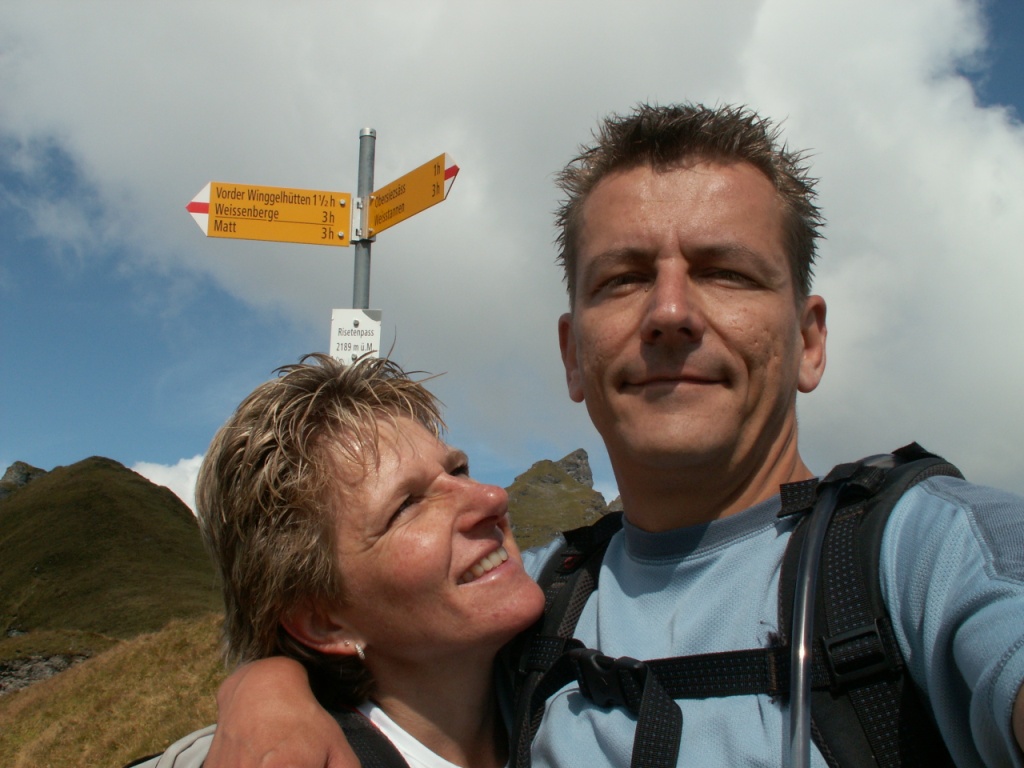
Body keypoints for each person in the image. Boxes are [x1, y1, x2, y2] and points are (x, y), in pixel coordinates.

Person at [172, 104, 1024, 767]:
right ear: (573, 355)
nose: (670, 311)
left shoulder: (929, 554)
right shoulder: (535, 600)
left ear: (808, 341)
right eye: (621, 280)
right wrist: (266, 688)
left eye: (726, 271)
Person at [129, 354, 545, 768]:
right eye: (407, 505)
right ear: (323, 622)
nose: (493, 497)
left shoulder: (570, 670)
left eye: (458, 470)